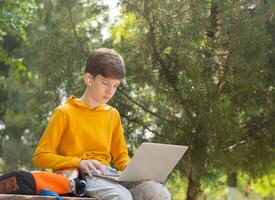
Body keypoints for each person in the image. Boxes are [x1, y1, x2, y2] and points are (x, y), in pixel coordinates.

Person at [32, 48, 171, 200]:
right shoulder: (64, 112)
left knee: (158, 192)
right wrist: (79, 162)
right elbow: (40, 157)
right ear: (89, 79)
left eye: (116, 86)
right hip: (80, 176)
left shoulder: (112, 114)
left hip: (109, 176)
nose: (110, 91)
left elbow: (121, 157)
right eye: (105, 83)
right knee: (121, 196)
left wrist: (134, 170)